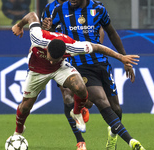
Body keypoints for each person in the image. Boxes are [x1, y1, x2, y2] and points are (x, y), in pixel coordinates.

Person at [11, 11, 141, 149]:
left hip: (59, 68)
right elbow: (32, 15)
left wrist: (121, 57)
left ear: (65, 54)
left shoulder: (71, 46)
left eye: (53, 58)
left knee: (80, 87)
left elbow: (97, 47)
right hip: (36, 71)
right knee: (25, 106)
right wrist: (19, 25)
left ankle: (77, 112)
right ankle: (18, 130)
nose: (50, 61)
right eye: (49, 56)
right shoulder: (37, 38)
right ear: (46, 48)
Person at [42, 0, 146, 150]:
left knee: (115, 108)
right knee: (100, 99)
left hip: (101, 63)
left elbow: (111, 32)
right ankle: (131, 142)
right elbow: (50, 35)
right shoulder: (59, 10)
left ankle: (113, 133)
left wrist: (125, 59)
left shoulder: (98, 9)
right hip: (79, 65)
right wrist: (47, 28)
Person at [41, 1, 102, 149]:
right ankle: (80, 141)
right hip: (62, 57)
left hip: (83, 55)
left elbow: (100, 29)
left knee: (88, 100)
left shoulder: (88, 5)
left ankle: (82, 107)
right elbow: (42, 32)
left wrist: (96, 49)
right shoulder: (50, 8)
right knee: (67, 95)